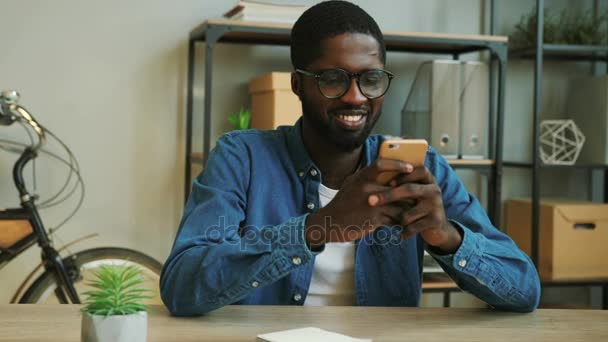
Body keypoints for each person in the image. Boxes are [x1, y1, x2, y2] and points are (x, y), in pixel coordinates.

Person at [160, 0, 540, 316]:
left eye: (370, 79)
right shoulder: (242, 158)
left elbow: (525, 289)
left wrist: (447, 238)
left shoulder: (422, 169)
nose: (356, 97)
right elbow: (182, 286)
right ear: (298, 84)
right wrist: (320, 226)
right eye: (333, 79)